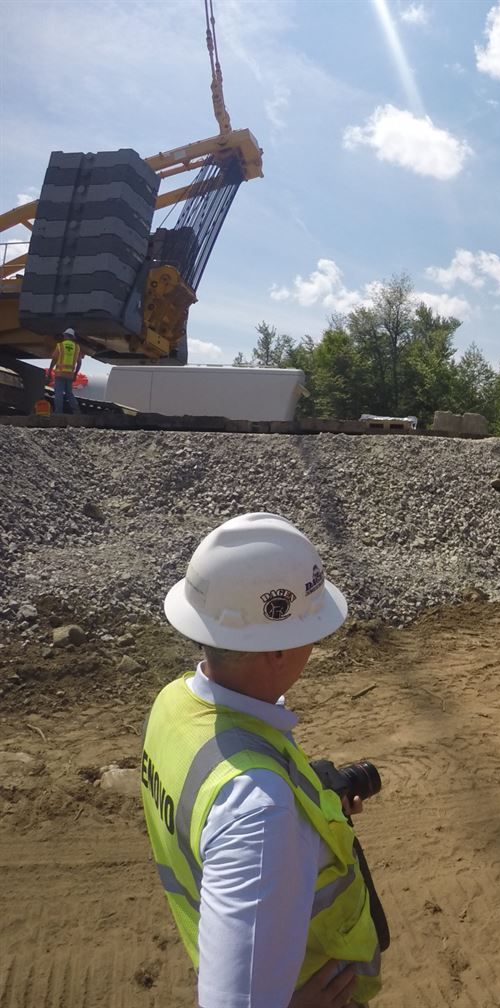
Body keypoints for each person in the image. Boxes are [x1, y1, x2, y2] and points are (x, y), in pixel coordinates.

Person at [141, 513, 385, 1008]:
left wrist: (313, 823)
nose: (314, 645)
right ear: (275, 651)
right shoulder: (260, 810)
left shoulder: (175, 702)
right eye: (312, 630)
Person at [49, 327, 83, 414]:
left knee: (58, 393)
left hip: (60, 374)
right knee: (69, 393)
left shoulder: (60, 346)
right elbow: (79, 363)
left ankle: (58, 412)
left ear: (65, 336)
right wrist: (75, 374)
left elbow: (54, 360)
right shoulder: (77, 348)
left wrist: (49, 371)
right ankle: (77, 411)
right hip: (70, 375)